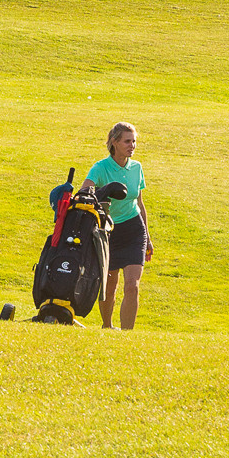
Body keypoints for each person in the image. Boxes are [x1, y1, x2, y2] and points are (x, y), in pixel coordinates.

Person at [86, 122, 152, 330]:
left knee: (132, 286)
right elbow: (84, 193)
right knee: (109, 286)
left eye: (134, 141)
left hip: (133, 229)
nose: (132, 145)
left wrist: (148, 237)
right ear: (114, 142)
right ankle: (107, 326)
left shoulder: (137, 167)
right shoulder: (100, 168)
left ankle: (127, 335)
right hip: (107, 232)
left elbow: (140, 203)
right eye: (127, 141)